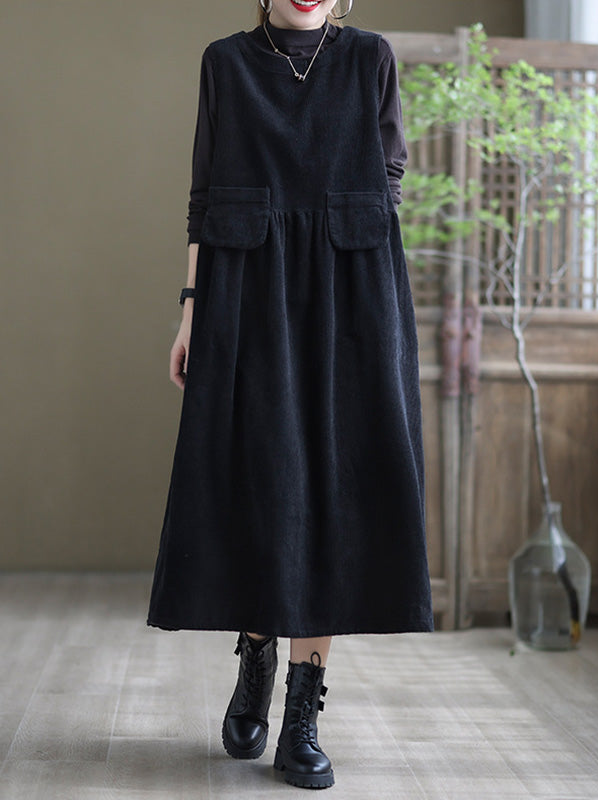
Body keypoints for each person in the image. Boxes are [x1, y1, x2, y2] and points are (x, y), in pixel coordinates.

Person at [147, 0, 433, 790]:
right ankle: (257, 655)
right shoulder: (226, 62)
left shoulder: (370, 57)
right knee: (260, 481)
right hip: (248, 291)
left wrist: (359, 283)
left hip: (351, 296)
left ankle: (303, 713)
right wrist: (191, 312)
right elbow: (205, 197)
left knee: (336, 493)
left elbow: (390, 177)